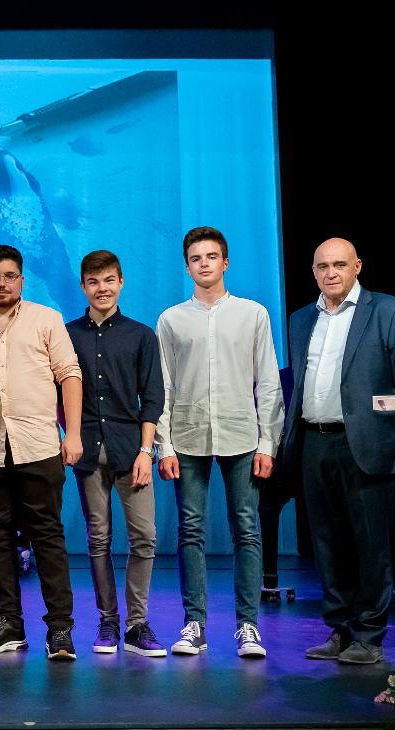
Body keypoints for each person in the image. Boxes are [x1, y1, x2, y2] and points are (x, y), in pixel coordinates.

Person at [282, 237, 395, 665]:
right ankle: (340, 630)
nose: (331, 273)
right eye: (322, 266)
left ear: (357, 266)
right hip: (313, 442)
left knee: (369, 545)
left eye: (340, 265)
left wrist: (380, 421)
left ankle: (369, 635)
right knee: (327, 543)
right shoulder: (301, 319)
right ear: (313, 272)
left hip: (364, 443)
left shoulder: (389, 310)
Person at [0, 244, 83, 660]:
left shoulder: (46, 319)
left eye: (9, 276)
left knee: (47, 536)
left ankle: (60, 629)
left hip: (39, 445)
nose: (1, 283)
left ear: (21, 280)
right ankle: (9, 624)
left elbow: (69, 374)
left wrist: (73, 434)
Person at [156, 226, 283, 658]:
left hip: (241, 433)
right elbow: (163, 386)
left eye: (211, 256)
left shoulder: (253, 314)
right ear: (187, 266)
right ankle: (195, 624)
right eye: (196, 258)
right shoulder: (171, 320)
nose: (204, 264)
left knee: (246, 528)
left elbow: (268, 382)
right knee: (190, 529)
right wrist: (164, 445)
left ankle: (248, 626)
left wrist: (268, 443)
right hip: (187, 434)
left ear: (225, 262)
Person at [64, 250, 166, 656]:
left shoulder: (141, 335)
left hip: (131, 450)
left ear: (121, 282)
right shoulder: (67, 335)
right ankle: (107, 622)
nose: (101, 288)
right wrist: (68, 434)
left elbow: (153, 397)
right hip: (87, 451)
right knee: (98, 539)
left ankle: (137, 625)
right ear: (83, 286)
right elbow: (57, 392)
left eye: (109, 280)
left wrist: (146, 451)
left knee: (144, 537)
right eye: (93, 281)